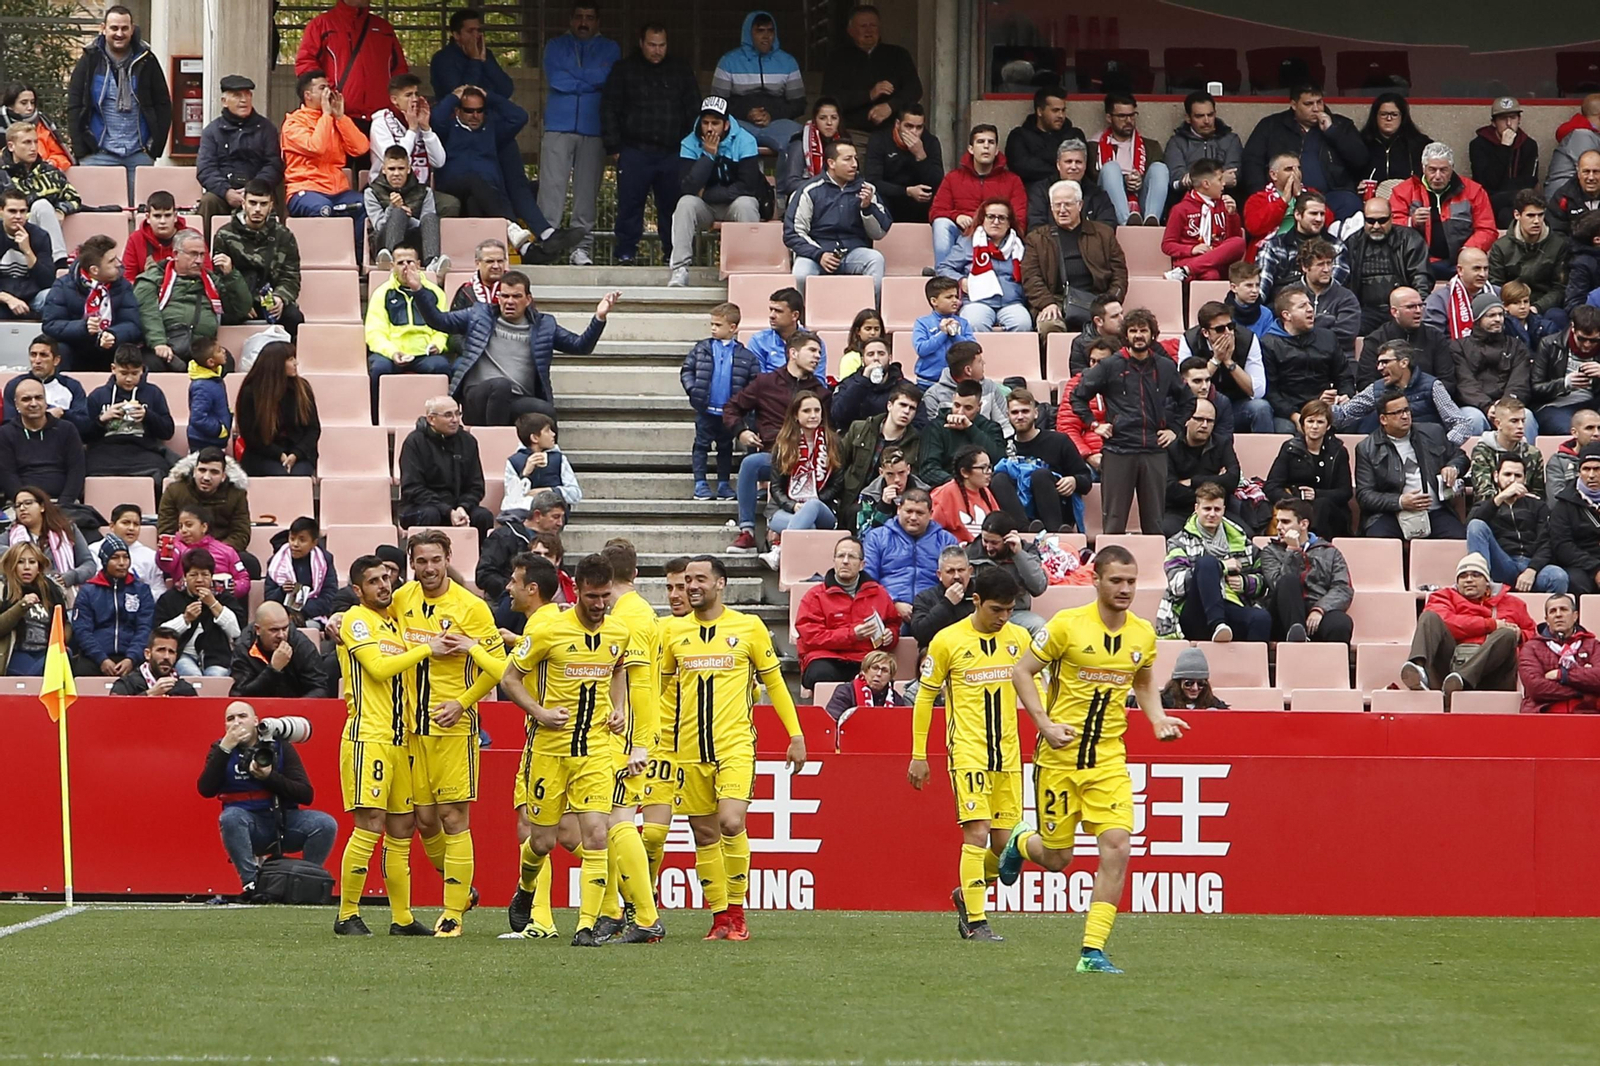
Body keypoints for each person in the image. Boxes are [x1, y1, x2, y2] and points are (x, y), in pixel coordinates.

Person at [1003, 544, 1188, 974]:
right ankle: (1018, 841)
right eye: (1117, 581)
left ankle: (1092, 951)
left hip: (1108, 758)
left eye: (1131, 582)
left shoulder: (1142, 633)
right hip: (1060, 757)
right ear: (1096, 581)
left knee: (1118, 846)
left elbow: (1142, 680)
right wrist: (1045, 725)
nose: (1125, 590)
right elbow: (1021, 672)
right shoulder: (1067, 626)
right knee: (1057, 858)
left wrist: (1157, 719)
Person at [331, 554, 453, 938]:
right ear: (357, 590)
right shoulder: (356, 620)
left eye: (386, 579)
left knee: (403, 826)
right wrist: (427, 649)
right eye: (373, 581)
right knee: (369, 823)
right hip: (369, 736)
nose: (383, 586)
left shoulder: (395, 622)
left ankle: (401, 917)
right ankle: (347, 914)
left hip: (402, 739)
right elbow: (380, 669)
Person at [390, 530, 506, 937]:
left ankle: (452, 912)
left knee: (454, 817)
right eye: (421, 561)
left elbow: (500, 668)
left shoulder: (470, 608)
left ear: (448, 558)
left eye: (436, 560)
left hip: (454, 728)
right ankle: (463, 889)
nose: (428, 569)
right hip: (411, 727)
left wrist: (463, 702)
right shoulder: (402, 599)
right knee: (424, 821)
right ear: (412, 563)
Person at [907, 564, 1030, 942]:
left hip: (1008, 754)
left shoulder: (1020, 639)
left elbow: (1035, 691)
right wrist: (919, 753)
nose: (1003, 618)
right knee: (976, 834)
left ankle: (968, 892)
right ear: (976, 601)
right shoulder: (948, 641)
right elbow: (926, 696)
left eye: (1009, 610)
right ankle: (976, 921)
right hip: (968, 752)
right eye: (997, 609)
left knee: (1005, 846)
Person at [405, 264, 617, 426]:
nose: (509, 301)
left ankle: (551, 470)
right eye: (504, 296)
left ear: (528, 299)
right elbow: (439, 321)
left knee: (545, 412)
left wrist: (599, 318)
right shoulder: (479, 314)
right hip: (477, 398)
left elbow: (580, 346)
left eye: (516, 296)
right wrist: (418, 289)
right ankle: (493, 448)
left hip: (517, 399)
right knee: (501, 385)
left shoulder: (544, 325)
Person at [1072, 307, 1194, 533]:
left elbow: (1188, 400)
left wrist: (1175, 429)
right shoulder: (1110, 366)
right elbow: (1077, 397)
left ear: (1152, 334)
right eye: (1133, 330)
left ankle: (1155, 567)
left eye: (1144, 330)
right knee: (1114, 521)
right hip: (1119, 450)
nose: (1139, 335)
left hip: (1154, 451)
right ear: (1125, 335)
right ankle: (1109, 567)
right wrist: (1094, 424)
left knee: (1155, 523)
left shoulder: (1165, 367)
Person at [198, 699, 337, 894]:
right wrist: (225, 749)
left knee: (324, 824)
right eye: (230, 719)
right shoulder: (220, 749)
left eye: (242, 716)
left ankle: (306, 880)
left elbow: (306, 794)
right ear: (225, 725)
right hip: (248, 826)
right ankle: (251, 884)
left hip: (282, 821)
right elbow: (205, 789)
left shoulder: (279, 746)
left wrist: (269, 777)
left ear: (256, 721)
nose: (237, 722)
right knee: (230, 817)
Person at [432, 86, 576, 263]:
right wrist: (453, 97)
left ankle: (523, 250)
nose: (475, 115)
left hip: (487, 191)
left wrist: (489, 96)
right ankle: (516, 232)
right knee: (474, 181)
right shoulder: (448, 129)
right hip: (453, 185)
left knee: (477, 200)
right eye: (469, 111)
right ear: (458, 110)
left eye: (480, 110)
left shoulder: (492, 130)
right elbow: (436, 118)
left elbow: (519, 117)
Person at [601, 23, 702, 265]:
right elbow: (609, 108)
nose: (657, 50)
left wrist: (691, 148)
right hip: (634, 150)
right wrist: (614, 147)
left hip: (673, 152)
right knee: (629, 205)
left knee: (672, 206)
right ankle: (626, 253)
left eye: (661, 45)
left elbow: (693, 110)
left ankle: (673, 254)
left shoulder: (680, 70)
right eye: (652, 45)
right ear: (641, 43)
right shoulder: (624, 69)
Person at [722, 331, 830, 553]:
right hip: (775, 454)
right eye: (812, 350)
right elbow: (731, 408)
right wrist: (741, 431)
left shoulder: (821, 393)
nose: (817, 356)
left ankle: (783, 539)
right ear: (793, 353)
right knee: (751, 463)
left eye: (819, 352)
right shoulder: (766, 383)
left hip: (810, 460)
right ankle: (747, 532)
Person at [536, 4, 618, 266]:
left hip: (594, 127)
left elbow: (608, 78)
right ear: (571, 20)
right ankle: (546, 245)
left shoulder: (610, 48)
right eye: (579, 17)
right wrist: (590, 82)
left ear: (597, 22)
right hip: (558, 125)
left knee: (587, 192)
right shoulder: (555, 46)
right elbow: (556, 79)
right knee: (551, 189)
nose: (584, 22)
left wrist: (577, 79)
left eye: (590, 18)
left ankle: (582, 248)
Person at [1402, 551, 1535, 699]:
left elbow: (1535, 637)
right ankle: (1417, 669)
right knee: (1429, 617)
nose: (1469, 580)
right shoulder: (1442, 596)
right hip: (1448, 669)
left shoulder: (1514, 604)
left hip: (1494, 676)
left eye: (1475, 575)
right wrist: (1491, 624)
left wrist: (1520, 635)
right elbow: (1447, 622)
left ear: (1487, 582)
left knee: (1507, 635)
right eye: (1463, 576)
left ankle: (1462, 681)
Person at [65, 5, 169, 194]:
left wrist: (154, 147)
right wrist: (82, 150)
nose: (119, 33)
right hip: (97, 155)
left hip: (139, 154)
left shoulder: (147, 60)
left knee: (138, 215)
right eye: (114, 28)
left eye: (124, 28)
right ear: (103, 29)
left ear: (132, 29)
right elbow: (75, 105)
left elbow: (163, 105)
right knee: (97, 214)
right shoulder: (90, 60)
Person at [669, 96, 767, 288]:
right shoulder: (689, 142)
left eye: (715, 123)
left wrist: (706, 194)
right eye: (705, 123)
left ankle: (748, 269)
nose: (710, 128)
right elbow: (687, 188)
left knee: (746, 203)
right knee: (685, 204)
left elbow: (747, 186)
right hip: (706, 208)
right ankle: (680, 269)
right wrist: (708, 155)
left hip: (733, 204)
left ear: (726, 124)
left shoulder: (745, 140)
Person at [1156, 481, 1270, 642]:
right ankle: (1218, 624)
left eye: (1217, 509)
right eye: (1207, 509)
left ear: (1224, 510)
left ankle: (1253, 667)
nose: (1212, 514)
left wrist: (1245, 582)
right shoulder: (1178, 542)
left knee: (1261, 618)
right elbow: (1176, 584)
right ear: (1196, 509)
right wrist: (1221, 566)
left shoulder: (1240, 540)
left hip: (1231, 603)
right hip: (1194, 611)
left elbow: (1262, 578)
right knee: (1207, 563)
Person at [1354, 387, 1469, 539]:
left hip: (1435, 511)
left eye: (1407, 410)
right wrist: (1400, 501)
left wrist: (1453, 467)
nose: (1405, 416)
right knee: (1380, 541)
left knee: (1458, 539)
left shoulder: (1433, 432)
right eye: (1397, 413)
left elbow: (1461, 457)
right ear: (1383, 419)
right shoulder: (1367, 448)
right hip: (1390, 514)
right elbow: (1365, 496)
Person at [785, 140, 891, 302]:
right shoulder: (809, 190)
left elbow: (880, 232)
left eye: (855, 159)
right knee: (801, 274)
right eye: (848, 159)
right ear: (831, 163)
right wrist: (819, 254)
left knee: (875, 259)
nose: (854, 164)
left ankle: (869, 318)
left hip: (852, 252)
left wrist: (867, 208)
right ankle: (803, 323)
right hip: (816, 253)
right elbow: (792, 233)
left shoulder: (866, 189)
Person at [132, 229, 250, 373]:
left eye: (202, 254)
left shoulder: (212, 281)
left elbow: (240, 310)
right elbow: (147, 314)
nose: (199, 260)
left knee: (225, 361)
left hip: (203, 349)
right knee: (150, 363)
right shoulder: (152, 280)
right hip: (166, 346)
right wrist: (158, 343)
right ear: (176, 254)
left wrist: (231, 276)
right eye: (193, 254)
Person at [1241, 85, 1367, 219]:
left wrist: (1332, 131)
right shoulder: (1271, 126)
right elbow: (1251, 162)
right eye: (1308, 104)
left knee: (1350, 203)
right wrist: (1263, 195)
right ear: (1294, 105)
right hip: (1286, 195)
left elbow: (1360, 160)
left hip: (1332, 195)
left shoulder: (1341, 125)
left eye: (1319, 102)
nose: (1316, 109)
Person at [1021, 180, 1128, 335]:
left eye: (1067, 204)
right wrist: (1047, 303)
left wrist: (1110, 301)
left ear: (1080, 205)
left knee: (1116, 325)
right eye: (1057, 205)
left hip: (1097, 298)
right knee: (1049, 325)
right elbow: (1031, 277)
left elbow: (1119, 273)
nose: (1062, 210)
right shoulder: (1037, 239)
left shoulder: (1103, 234)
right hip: (1056, 300)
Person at [281, 70, 369, 251]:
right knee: (322, 209)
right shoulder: (293, 123)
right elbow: (316, 146)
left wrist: (341, 117)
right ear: (308, 95)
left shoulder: (334, 120)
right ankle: (322, 258)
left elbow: (361, 148)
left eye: (329, 87)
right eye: (322, 88)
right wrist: (327, 116)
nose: (328, 92)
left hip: (337, 190)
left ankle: (357, 261)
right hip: (304, 188)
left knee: (366, 205)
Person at [794, 534, 897, 687]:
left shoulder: (879, 593)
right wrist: (852, 635)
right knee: (821, 674)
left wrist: (890, 635)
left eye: (852, 557)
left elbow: (893, 623)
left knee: (879, 677)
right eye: (841, 556)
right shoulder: (814, 596)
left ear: (862, 564)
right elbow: (811, 637)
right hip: (826, 657)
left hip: (865, 659)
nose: (845, 561)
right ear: (834, 561)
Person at [1336, 338, 1480, 445]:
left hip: (1425, 451)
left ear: (1404, 363)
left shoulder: (1432, 386)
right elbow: (1344, 413)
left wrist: (1442, 447)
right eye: (1378, 363)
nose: (1379, 368)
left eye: (1385, 362)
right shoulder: (1376, 389)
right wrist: (1322, 412)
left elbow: (1461, 424)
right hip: (1390, 454)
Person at [363, 240, 451, 413]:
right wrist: (392, 352)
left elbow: (443, 326)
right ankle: (375, 417)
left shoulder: (434, 293)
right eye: (400, 263)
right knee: (379, 369)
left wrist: (437, 345)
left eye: (410, 262)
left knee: (441, 367)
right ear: (392, 266)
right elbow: (375, 332)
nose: (406, 267)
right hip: (392, 353)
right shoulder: (382, 293)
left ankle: (442, 415)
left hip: (424, 352)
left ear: (418, 265)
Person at [1389, 142, 1497, 282]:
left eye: (1444, 170)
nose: (1438, 176)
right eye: (1432, 170)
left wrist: (1467, 252)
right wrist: (1411, 221)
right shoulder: (1404, 191)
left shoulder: (1474, 191)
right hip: (1417, 262)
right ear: (1423, 168)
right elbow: (1389, 224)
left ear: (1452, 169)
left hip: (1460, 263)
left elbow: (1487, 229)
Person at [211, 180, 305, 339]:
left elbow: (291, 276)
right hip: (236, 299)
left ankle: (289, 359)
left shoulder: (284, 236)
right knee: (221, 319)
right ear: (243, 203)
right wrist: (241, 303)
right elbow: (217, 279)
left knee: (294, 317)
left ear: (271, 206)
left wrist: (280, 297)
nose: (257, 209)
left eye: (263, 204)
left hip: (269, 299)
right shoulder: (224, 235)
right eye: (252, 203)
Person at [761, 391, 842, 569]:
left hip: (823, 509)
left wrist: (814, 501)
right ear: (796, 416)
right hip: (784, 509)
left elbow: (837, 485)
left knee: (811, 506)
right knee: (808, 527)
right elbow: (775, 487)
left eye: (817, 410)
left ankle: (781, 550)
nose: (813, 415)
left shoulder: (833, 442)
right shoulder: (783, 444)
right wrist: (793, 506)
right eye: (806, 411)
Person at [710, 11, 805, 164]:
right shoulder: (728, 62)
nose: (766, 36)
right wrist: (746, 113)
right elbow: (716, 104)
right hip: (739, 123)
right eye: (760, 31)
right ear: (749, 33)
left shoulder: (788, 62)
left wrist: (772, 114)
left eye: (770, 31)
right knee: (724, 138)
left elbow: (799, 104)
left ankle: (788, 186)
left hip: (778, 122)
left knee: (801, 139)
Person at [820, 5, 922, 143]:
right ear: (850, 30)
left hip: (894, 133)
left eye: (873, 25)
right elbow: (830, 98)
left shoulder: (898, 55)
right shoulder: (838, 58)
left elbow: (915, 90)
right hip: (853, 133)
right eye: (863, 26)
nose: (869, 30)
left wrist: (890, 106)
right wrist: (869, 95)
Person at [295, 0, 407, 126]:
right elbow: (306, 65)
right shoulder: (321, 25)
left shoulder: (384, 28)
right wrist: (327, 93)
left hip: (381, 118)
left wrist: (398, 106)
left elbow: (400, 72)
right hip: (338, 116)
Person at [1466, 452, 1566, 594]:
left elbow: (1547, 541)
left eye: (1518, 476)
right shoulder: (1485, 506)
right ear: (1496, 476)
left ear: (1525, 479)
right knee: (1476, 524)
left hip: (1533, 566)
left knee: (1558, 576)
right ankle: (1482, 588)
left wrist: (1532, 570)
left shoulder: (1538, 506)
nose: (1512, 480)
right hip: (1502, 564)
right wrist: (1500, 498)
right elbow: (1472, 529)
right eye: (1507, 474)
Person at [41, 234, 143, 372]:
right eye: (111, 261)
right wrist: (83, 327)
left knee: (133, 353)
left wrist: (114, 334)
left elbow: (133, 324)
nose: (118, 264)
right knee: (60, 351)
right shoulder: (63, 286)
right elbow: (50, 324)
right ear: (94, 270)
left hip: (111, 349)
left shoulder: (123, 286)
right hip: (76, 348)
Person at [929, 124, 1027, 266]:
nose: (986, 146)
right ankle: (944, 275)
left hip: (997, 236)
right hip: (963, 235)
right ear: (971, 149)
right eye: (980, 142)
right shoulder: (953, 178)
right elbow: (936, 211)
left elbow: (1019, 219)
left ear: (996, 150)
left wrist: (990, 225)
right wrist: (956, 216)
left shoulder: (1013, 180)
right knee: (941, 223)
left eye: (991, 142)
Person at [196, 76, 283, 234]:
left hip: (257, 190)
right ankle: (204, 251)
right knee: (208, 201)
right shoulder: (212, 131)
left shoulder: (266, 128)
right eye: (237, 96)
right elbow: (205, 169)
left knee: (272, 198)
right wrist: (226, 192)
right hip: (223, 192)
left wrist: (252, 190)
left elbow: (274, 165)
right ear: (224, 101)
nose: (244, 100)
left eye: (247, 94)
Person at [397, 395, 492, 538]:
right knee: (431, 514)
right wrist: (447, 511)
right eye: (448, 415)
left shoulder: (468, 441)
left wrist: (462, 507)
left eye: (457, 413)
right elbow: (412, 488)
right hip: (420, 506)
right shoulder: (414, 442)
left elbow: (476, 486)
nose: (455, 420)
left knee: (483, 516)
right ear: (431, 419)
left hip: (457, 505)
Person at [1260, 498, 1354, 644]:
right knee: (1288, 580)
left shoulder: (1329, 552)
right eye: (1277, 521)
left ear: (1303, 524)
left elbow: (1343, 588)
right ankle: (1298, 636)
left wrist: (1319, 609)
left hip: (1316, 613)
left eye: (1285, 522)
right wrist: (1292, 551)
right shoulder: (1270, 552)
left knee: (1340, 623)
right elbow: (1277, 584)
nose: (1278, 527)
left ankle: (1334, 665)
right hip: (1282, 616)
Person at [934, 198, 1031, 335]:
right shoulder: (968, 242)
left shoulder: (1020, 246)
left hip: (1012, 302)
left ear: (1009, 223)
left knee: (1023, 324)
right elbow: (944, 268)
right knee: (974, 323)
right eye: (991, 216)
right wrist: (961, 281)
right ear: (982, 219)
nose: (996, 222)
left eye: (1002, 218)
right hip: (977, 301)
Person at [864, 488, 959, 626]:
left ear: (931, 514)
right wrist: (893, 603)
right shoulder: (877, 537)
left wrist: (934, 608)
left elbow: (954, 581)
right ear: (898, 509)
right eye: (909, 511)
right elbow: (868, 581)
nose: (913, 517)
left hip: (933, 610)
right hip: (888, 610)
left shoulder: (946, 540)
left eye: (920, 513)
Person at [80, 344, 175, 481]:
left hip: (143, 451)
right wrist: (102, 420)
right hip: (105, 452)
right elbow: (84, 435)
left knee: (160, 470)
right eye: (124, 373)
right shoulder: (98, 395)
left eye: (135, 373)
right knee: (84, 470)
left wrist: (147, 415)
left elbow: (167, 432)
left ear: (142, 370)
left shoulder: (153, 393)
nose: (129, 379)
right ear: (113, 369)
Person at [1263, 286, 1350, 433]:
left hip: (1326, 408)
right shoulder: (1269, 344)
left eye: (1310, 304)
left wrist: (1344, 396)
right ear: (1287, 315)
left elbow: (1344, 376)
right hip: (1290, 413)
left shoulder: (1328, 337)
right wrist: (1295, 416)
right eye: (1302, 306)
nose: (1310, 309)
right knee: (1287, 431)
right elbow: (1271, 391)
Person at [1177, 300, 1271, 434]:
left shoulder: (1248, 339)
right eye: (1220, 329)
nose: (1228, 333)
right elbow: (1184, 387)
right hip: (1201, 406)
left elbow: (1258, 391)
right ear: (1205, 332)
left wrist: (1228, 361)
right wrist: (1216, 360)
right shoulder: (1189, 340)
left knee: (1261, 408)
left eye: (1230, 326)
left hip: (1237, 404)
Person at [1005, 388, 1091, 534]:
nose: (1020, 417)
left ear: (1036, 413)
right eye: (1015, 412)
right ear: (1008, 416)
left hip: (1057, 513)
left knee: (1041, 475)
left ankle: (1055, 533)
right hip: (1022, 518)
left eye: (1025, 411)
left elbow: (1086, 479)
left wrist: (1074, 481)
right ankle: (1025, 530)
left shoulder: (1059, 441)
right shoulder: (1005, 446)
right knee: (999, 477)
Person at [1344, 197, 1433, 334]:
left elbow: (1421, 277)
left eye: (1382, 220)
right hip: (1365, 311)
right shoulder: (1353, 242)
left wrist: (1415, 309)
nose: (1376, 226)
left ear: (1392, 218)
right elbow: (1345, 283)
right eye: (1370, 221)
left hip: (1402, 309)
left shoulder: (1409, 239)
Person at [70, 533, 152, 678]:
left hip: (132, 658)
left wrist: (131, 659)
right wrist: (101, 659)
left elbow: (145, 628)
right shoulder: (88, 591)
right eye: (115, 558)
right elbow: (82, 630)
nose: (122, 562)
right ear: (105, 561)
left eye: (125, 557)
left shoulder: (141, 590)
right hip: (94, 658)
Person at [154, 547, 246, 678]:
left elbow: (237, 631)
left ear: (212, 576)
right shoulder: (170, 598)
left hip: (217, 655)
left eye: (205, 575)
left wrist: (214, 604)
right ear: (185, 576)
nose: (199, 580)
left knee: (216, 676)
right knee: (192, 676)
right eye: (193, 575)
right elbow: (159, 634)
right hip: (183, 653)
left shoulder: (223, 596)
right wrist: (185, 619)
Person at [157, 448, 253, 568]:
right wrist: (188, 551)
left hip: (222, 550)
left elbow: (241, 534)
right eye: (202, 470)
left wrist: (217, 551)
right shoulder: (175, 491)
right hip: (183, 550)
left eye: (214, 472)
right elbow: (166, 530)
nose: (206, 477)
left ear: (223, 476)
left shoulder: (236, 495)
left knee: (249, 563)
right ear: (194, 471)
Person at [3, 120, 79, 270]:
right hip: (8, 233)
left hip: (41, 232)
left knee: (43, 206)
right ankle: (60, 266)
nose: (33, 148)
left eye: (35, 142)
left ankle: (58, 263)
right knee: (42, 205)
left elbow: (74, 197)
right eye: (26, 143)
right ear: (11, 146)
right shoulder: (2, 174)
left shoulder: (49, 171)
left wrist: (60, 210)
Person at [1489, 195, 1567, 341]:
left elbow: (1559, 288)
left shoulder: (1558, 245)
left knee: (1558, 316)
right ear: (1517, 215)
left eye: (1540, 215)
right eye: (1530, 215)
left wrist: (1536, 307)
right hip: (1511, 304)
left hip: (1544, 304)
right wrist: (1511, 306)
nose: (1536, 221)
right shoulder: (1501, 247)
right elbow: (1496, 285)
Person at [0, 378, 85, 506]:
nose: (33, 403)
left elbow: (76, 470)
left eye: (38, 398)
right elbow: (7, 474)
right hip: (21, 504)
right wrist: (27, 503)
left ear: (46, 402)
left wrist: (64, 503)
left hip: (63, 504)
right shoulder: (5, 433)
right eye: (26, 399)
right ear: (16, 404)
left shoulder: (67, 429)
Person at [475, 490, 568, 607]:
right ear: (537, 515)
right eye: (555, 517)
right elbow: (484, 574)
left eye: (561, 518)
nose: (560, 523)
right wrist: (517, 590)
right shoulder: (503, 536)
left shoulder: (553, 541)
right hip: (505, 604)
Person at [1163, 397, 1240, 535]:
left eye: (1210, 421)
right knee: (1165, 532)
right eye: (1199, 419)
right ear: (1186, 419)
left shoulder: (1222, 443)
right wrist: (1215, 482)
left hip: (1216, 511)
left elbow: (1232, 479)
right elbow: (1170, 490)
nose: (1204, 425)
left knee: (1246, 534)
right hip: (1179, 512)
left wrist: (1193, 482)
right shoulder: (1171, 447)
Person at [1358, 285, 1456, 393]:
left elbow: (1447, 381)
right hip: (1389, 404)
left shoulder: (1436, 337)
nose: (1418, 311)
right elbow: (1366, 382)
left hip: (1429, 402)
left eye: (1421, 305)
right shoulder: (1376, 340)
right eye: (1411, 307)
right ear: (1395, 312)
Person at [1160, 158, 1244, 283]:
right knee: (1211, 275)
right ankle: (1187, 270)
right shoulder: (1180, 209)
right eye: (1220, 180)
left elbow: (1232, 241)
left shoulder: (1224, 204)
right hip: (1191, 258)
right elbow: (1167, 245)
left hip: (1218, 260)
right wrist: (1192, 249)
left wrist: (1232, 215)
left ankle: (1184, 271)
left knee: (1239, 242)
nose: (1224, 184)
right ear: (1206, 184)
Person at [1090, 92, 1168, 226]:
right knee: (1111, 168)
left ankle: (1152, 219)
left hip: (1141, 200)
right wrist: (1124, 181)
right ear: (1109, 118)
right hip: (1109, 202)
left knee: (1159, 168)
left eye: (1132, 115)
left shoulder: (1151, 146)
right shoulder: (1094, 145)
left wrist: (1140, 180)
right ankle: (1127, 223)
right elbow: (1092, 178)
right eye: (1122, 116)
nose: (1128, 121)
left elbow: (1156, 181)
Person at [1451, 294, 1533, 422]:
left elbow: (1520, 381)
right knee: (1474, 418)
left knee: (1526, 416)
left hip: (1509, 404)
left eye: (1500, 315)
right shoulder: (1459, 347)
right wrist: (1487, 406)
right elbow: (1465, 383)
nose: (1498, 319)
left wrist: (1505, 405)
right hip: (1474, 406)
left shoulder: (1516, 346)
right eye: (1491, 315)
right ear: (1477, 319)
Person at [964, 512, 1049, 633]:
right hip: (981, 613)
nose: (988, 547)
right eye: (985, 541)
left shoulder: (1027, 551)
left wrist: (1019, 554)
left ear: (1008, 538)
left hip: (1016, 613)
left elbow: (1038, 587)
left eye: (994, 543)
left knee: (1040, 627)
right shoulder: (971, 553)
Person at [1255, 191, 1346, 302]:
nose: (1319, 219)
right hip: (1280, 310)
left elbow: (1332, 289)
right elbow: (1261, 288)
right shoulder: (1274, 246)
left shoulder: (1336, 247)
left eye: (1322, 214)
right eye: (1313, 213)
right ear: (1297, 215)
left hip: (1322, 309)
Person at [365, 145, 443, 272]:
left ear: (408, 169)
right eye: (391, 169)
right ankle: (389, 260)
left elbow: (426, 224)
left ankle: (432, 263)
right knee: (397, 212)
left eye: (401, 168)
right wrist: (393, 209)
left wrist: (408, 219)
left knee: (431, 217)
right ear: (384, 170)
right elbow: (378, 225)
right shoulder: (372, 192)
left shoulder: (424, 191)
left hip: (415, 243)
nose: (396, 173)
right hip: (383, 243)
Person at [918, 378, 1007, 488]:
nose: (960, 412)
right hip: (948, 488)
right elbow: (928, 469)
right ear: (952, 400)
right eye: (957, 405)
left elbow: (999, 461)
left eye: (968, 408)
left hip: (984, 486)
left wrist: (970, 428)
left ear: (979, 407)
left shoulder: (990, 428)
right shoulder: (936, 427)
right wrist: (959, 485)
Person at [863, 104, 944, 225]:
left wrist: (921, 156)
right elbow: (873, 181)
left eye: (919, 127)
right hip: (890, 198)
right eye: (909, 126)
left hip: (920, 203)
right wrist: (906, 191)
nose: (914, 132)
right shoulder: (880, 139)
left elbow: (938, 182)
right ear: (897, 124)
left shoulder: (930, 142)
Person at [0, 541, 69, 676]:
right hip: (16, 653)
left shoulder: (52, 590)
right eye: (20, 562)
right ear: (12, 566)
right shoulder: (3, 589)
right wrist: (21, 606)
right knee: (39, 674)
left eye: (32, 562)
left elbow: (65, 624)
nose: (27, 567)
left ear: (39, 567)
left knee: (64, 657)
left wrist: (60, 642)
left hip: (46, 652)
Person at [1470, 97, 1540, 229]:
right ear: (1494, 122)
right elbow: (1486, 181)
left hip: (1518, 201)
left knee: (1507, 215)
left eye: (1513, 117)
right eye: (1503, 119)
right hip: (1488, 200)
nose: (1509, 123)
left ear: (1519, 120)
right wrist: (1504, 148)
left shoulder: (1528, 145)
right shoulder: (1479, 144)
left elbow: (1529, 181)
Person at [1163, 90, 1242, 205]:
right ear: (1188, 118)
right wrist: (1218, 179)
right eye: (1199, 116)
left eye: (1210, 115)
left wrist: (1194, 180)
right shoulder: (1177, 142)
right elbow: (1177, 178)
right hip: (1187, 203)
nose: (1206, 121)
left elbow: (1234, 174)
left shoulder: (1231, 139)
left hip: (1224, 201)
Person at [7, 486, 93, 590]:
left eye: (28, 503)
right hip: (24, 592)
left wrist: (71, 576)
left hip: (63, 591)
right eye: (18, 505)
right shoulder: (10, 534)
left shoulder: (67, 530)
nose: (22, 508)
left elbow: (89, 564)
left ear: (42, 507)